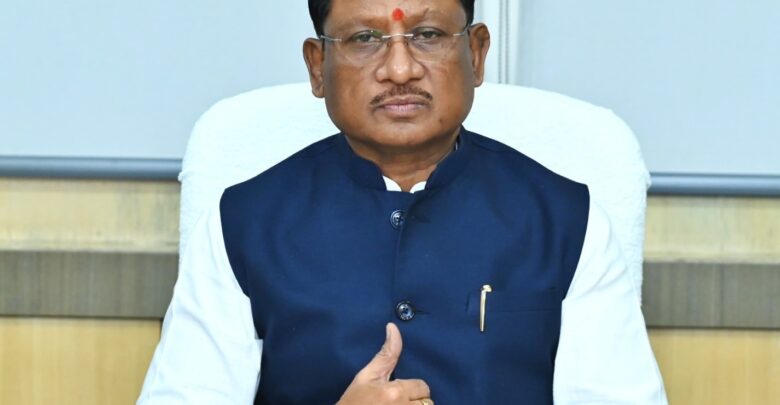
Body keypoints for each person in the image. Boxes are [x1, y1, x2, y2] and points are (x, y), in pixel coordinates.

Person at [138, 0, 668, 403]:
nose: (399, 69)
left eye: (428, 35)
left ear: (476, 54)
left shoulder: (566, 220)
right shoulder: (243, 223)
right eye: (365, 39)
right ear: (318, 66)